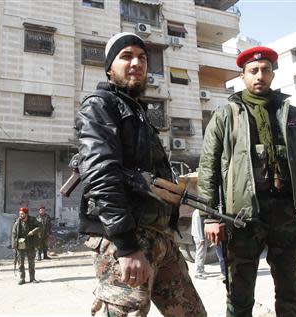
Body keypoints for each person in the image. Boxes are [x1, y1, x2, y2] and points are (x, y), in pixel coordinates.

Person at [75, 32, 206, 316]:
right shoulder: (100, 105)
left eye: (142, 57)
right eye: (126, 56)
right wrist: (125, 245)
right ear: (110, 67)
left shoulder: (140, 113)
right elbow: (100, 174)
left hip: (160, 237)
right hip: (128, 239)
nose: (136, 63)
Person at [198, 46, 296, 317]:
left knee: (290, 288)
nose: (259, 76)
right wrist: (210, 217)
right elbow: (208, 167)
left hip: (287, 214)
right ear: (242, 76)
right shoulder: (226, 115)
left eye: (265, 70)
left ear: (273, 75)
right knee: (240, 293)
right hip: (242, 218)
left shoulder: (290, 114)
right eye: (253, 71)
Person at [11, 207, 40, 285]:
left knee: (31, 262)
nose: (20, 215)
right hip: (21, 245)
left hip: (31, 244)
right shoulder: (17, 223)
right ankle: (22, 278)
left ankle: (32, 278)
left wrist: (33, 231)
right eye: (20, 213)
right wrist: (14, 246)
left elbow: (39, 226)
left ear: (26, 214)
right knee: (21, 263)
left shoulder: (33, 220)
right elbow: (14, 234)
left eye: (22, 214)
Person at [191, 209, 207, 279]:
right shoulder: (198, 213)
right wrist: (201, 238)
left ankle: (201, 269)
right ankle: (198, 272)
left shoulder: (196, 211)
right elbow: (198, 226)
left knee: (203, 253)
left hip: (199, 236)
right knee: (200, 254)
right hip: (199, 236)